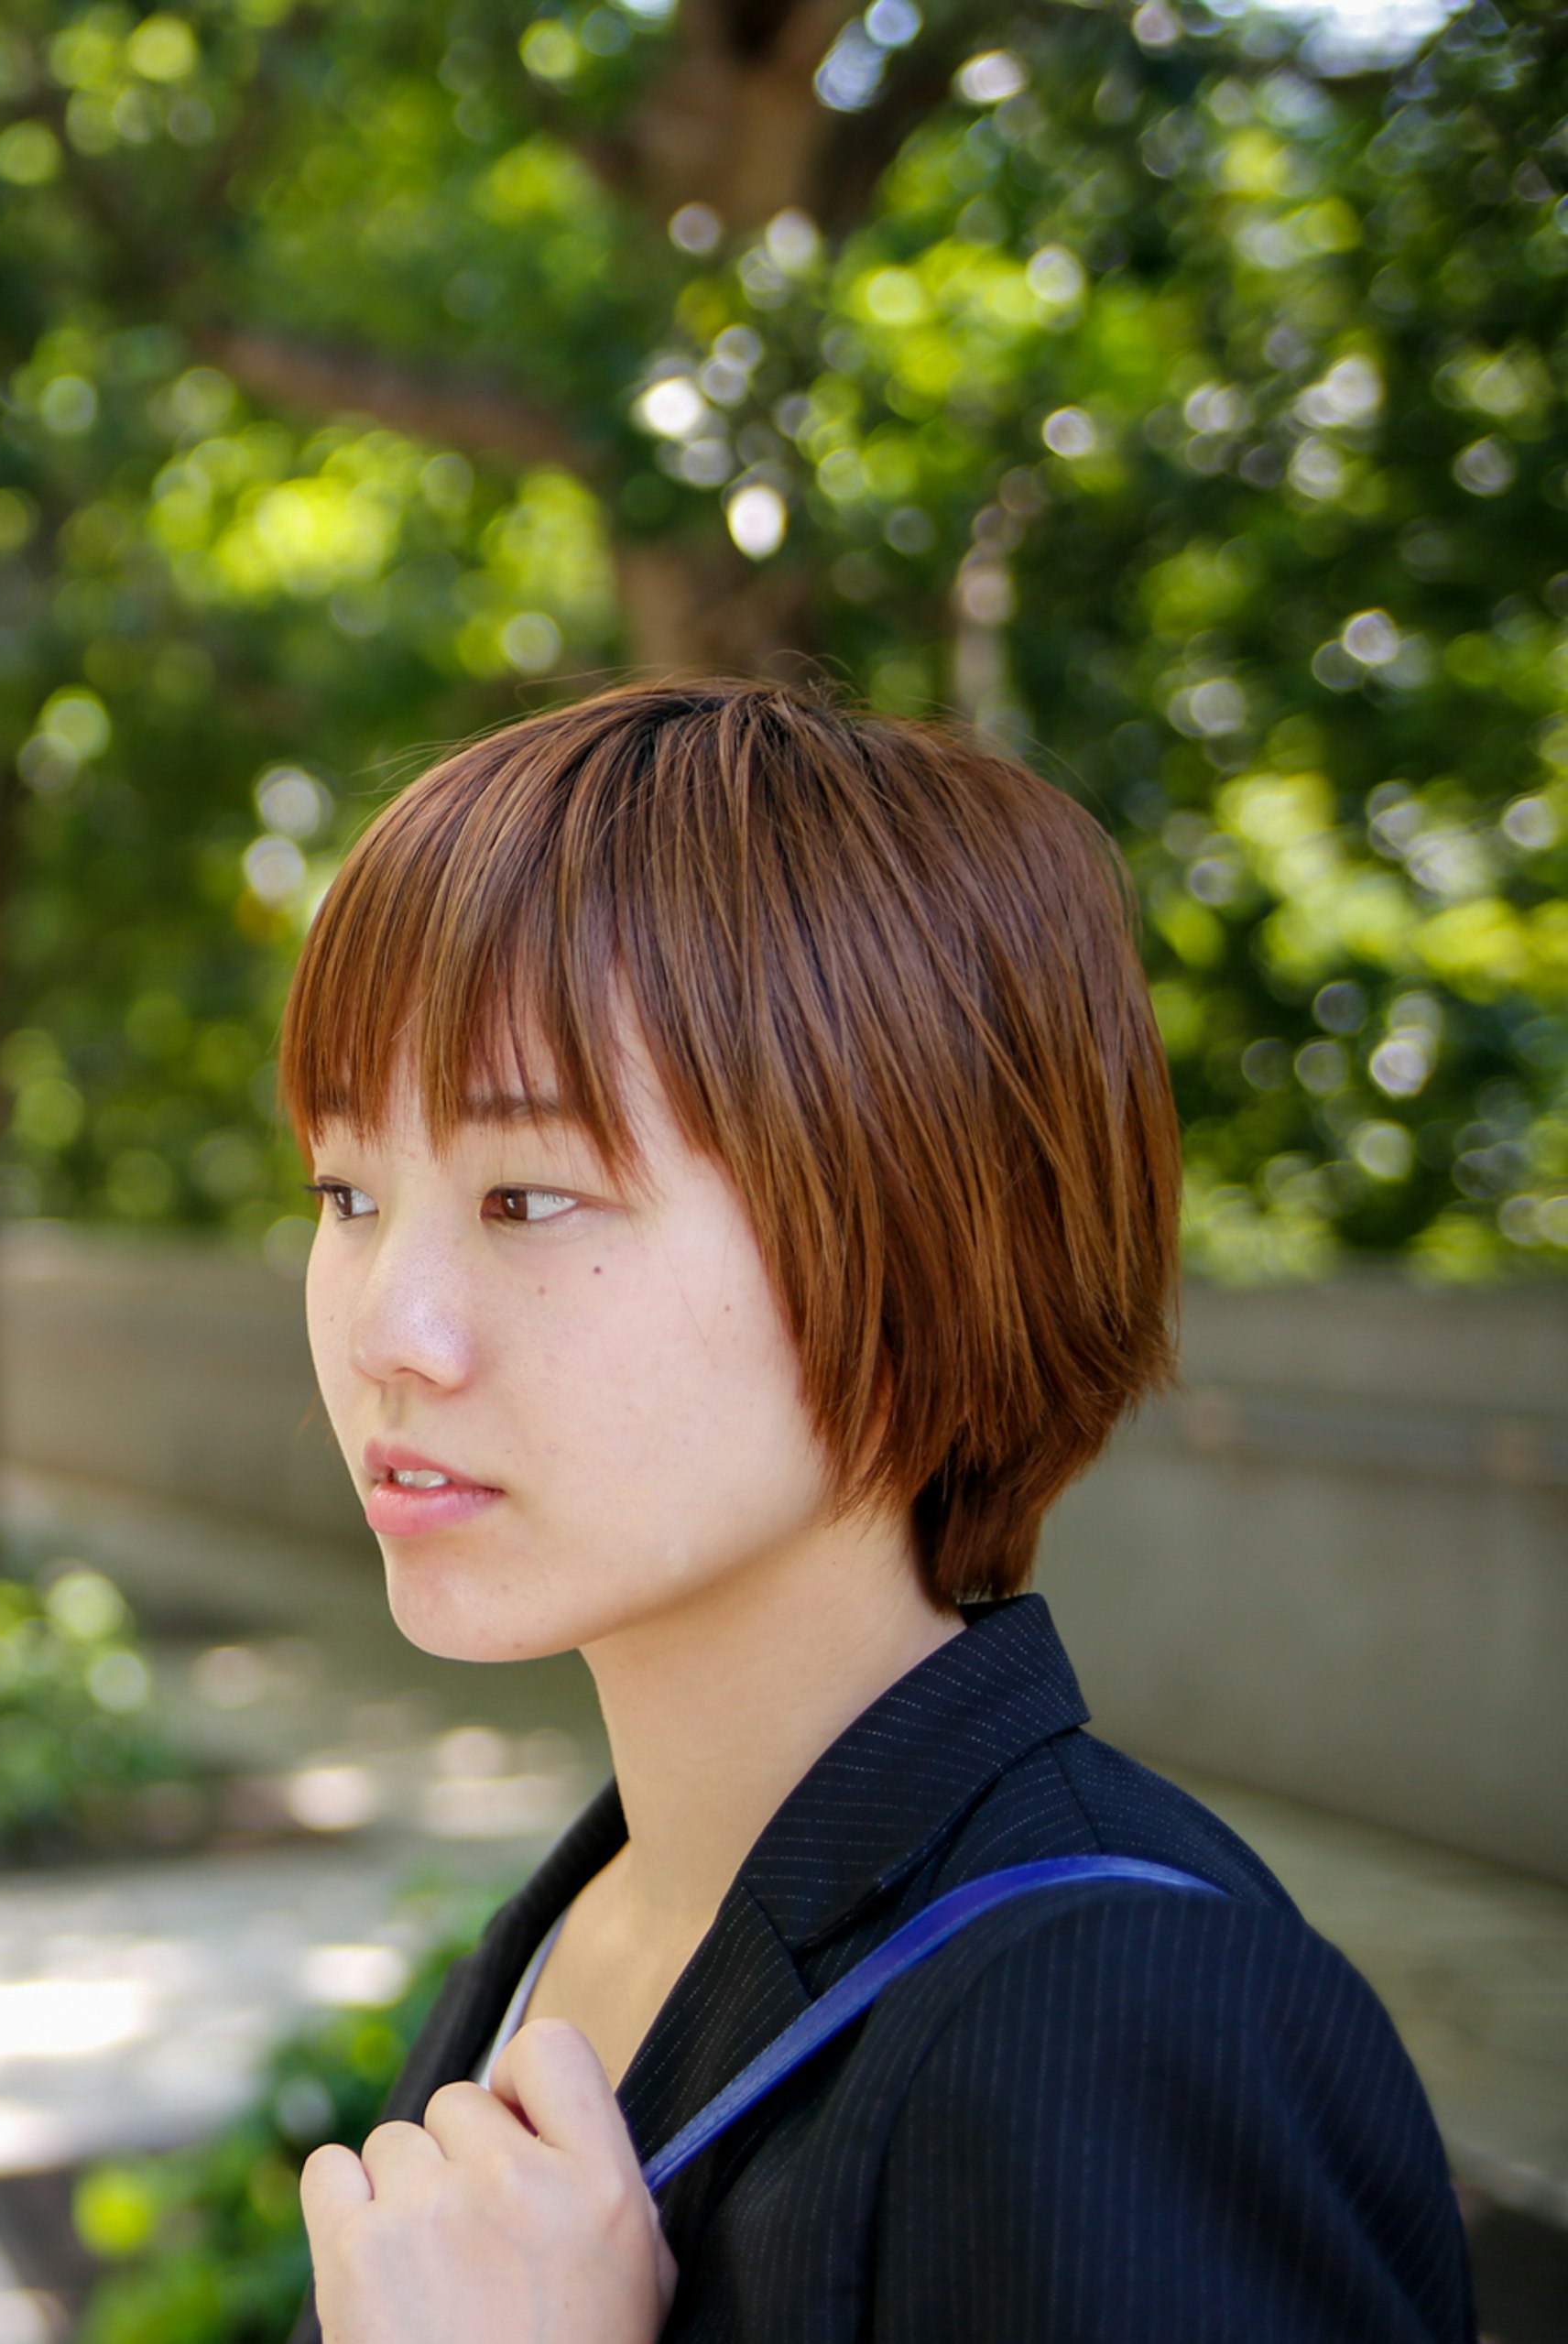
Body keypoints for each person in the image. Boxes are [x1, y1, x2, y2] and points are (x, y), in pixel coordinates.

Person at [274, 681, 1473, 2342]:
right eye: (348, 1189)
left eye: (528, 1196)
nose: (391, 1332)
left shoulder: (1112, 2014)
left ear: (917, 1242)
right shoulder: (595, 1916)